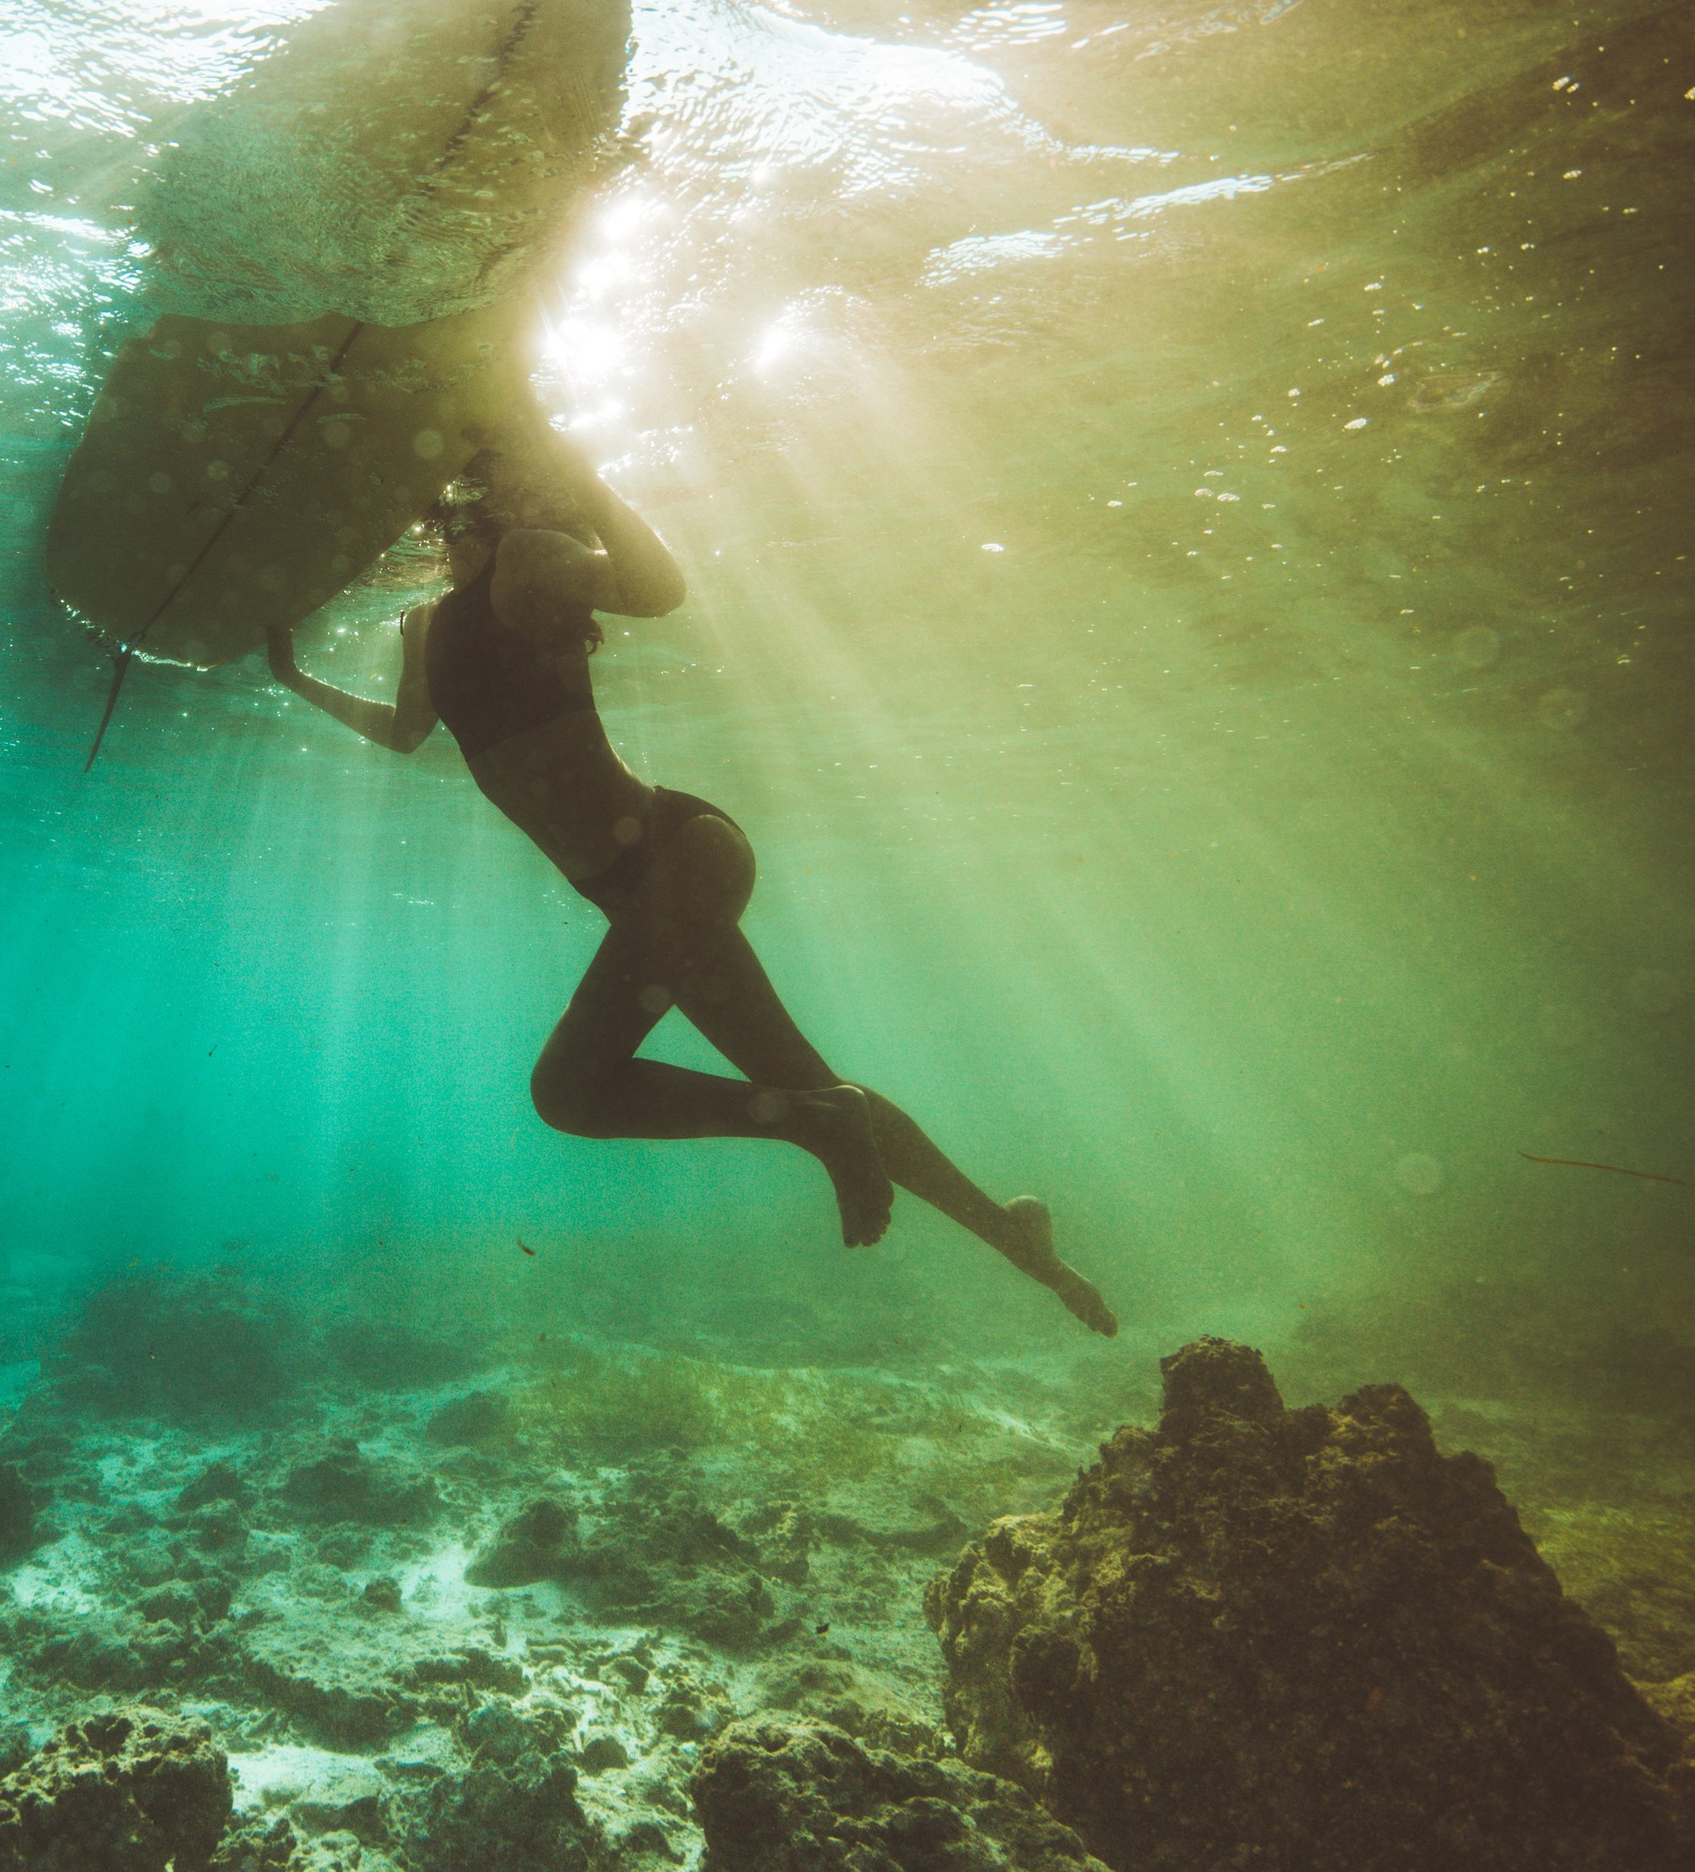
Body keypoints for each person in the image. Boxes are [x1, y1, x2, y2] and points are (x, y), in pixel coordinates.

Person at [265, 427, 1116, 1332]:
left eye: (458, 510)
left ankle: (820, 1125)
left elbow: (661, 591)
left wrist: (584, 477)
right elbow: (406, 734)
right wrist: (293, 678)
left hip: (682, 857)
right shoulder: (426, 623)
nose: (450, 531)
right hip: (647, 888)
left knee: (570, 1092)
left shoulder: (532, 557)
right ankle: (1012, 1236)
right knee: (804, 1079)